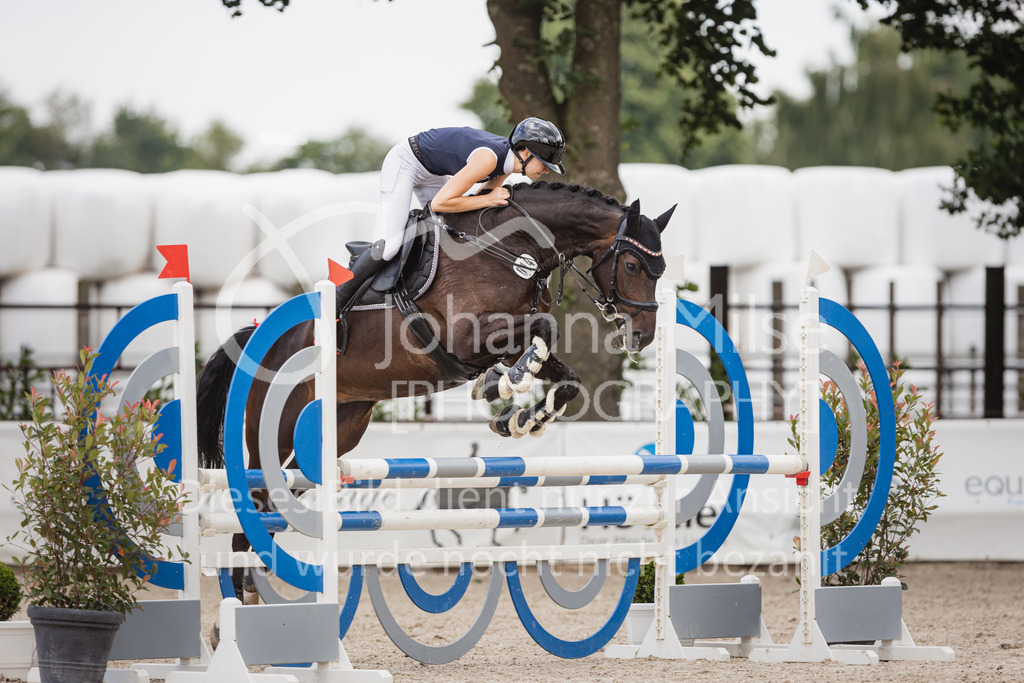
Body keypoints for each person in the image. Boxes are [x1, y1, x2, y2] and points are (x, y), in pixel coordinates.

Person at [336, 117, 566, 311]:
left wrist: (489, 202)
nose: (546, 170)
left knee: (452, 231)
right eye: (544, 163)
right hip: (405, 163)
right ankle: (337, 300)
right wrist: (489, 199)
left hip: (432, 171)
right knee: (389, 246)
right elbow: (441, 203)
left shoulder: (505, 165)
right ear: (525, 153)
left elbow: (477, 207)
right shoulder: (490, 158)